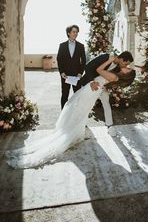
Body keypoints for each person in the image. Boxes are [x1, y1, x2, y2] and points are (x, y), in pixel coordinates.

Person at [5, 57, 136, 169]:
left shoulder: (114, 76)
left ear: (127, 75)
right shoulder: (115, 74)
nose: (127, 67)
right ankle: (72, 131)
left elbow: (99, 70)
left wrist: (109, 60)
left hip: (90, 92)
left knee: (76, 109)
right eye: (127, 66)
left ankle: (69, 132)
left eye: (128, 69)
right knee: (76, 109)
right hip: (91, 90)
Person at [79, 51, 134, 128]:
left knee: (106, 103)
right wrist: (92, 82)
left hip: (102, 86)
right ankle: (81, 124)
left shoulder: (118, 67)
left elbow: (111, 78)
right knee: (85, 105)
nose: (126, 66)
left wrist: (106, 86)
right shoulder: (105, 57)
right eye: (126, 64)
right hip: (90, 83)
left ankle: (109, 124)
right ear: (121, 59)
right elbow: (88, 67)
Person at [57, 25, 86, 109]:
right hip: (65, 75)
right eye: (74, 32)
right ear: (68, 33)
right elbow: (59, 60)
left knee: (77, 95)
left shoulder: (81, 46)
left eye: (77, 32)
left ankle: (77, 113)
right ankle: (63, 114)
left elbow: (83, 61)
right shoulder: (62, 46)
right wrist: (61, 72)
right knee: (65, 95)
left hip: (76, 76)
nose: (76, 34)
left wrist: (80, 73)